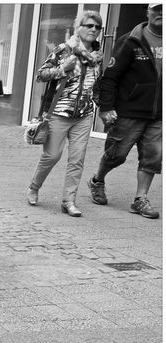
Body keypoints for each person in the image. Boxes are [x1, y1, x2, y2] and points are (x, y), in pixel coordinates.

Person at [88, 2, 162, 219]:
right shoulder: (130, 41)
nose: (161, 14)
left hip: (158, 115)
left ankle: (140, 199)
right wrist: (106, 108)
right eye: (157, 9)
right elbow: (110, 77)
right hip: (129, 111)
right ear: (147, 12)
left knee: (153, 157)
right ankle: (97, 180)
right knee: (116, 155)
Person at [26, 11, 104, 217]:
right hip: (59, 113)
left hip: (84, 116)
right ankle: (34, 187)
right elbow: (40, 75)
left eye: (97, 27)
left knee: (77, 160)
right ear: (78, 27)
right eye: (89, 25)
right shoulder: (64, 50)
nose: (93, 30)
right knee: (52, 156)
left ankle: (69, 201)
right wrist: (62, 68)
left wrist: (102, 107)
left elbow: (96, 86)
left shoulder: (97, 57)